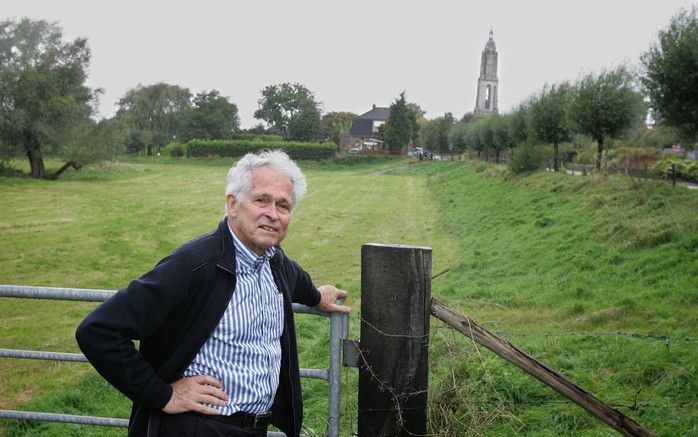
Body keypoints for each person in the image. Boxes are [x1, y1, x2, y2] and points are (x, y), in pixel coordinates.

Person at [76, 150, 350, 437]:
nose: (273, 214)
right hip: (197, 427)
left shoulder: (273, 261)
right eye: (261, 200)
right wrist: (163, 395)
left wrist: (317, 297)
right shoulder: (195, 264)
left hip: (255, 428)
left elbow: (295, 278)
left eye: (284, 206)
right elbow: (98, 330)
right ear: (233, 204)